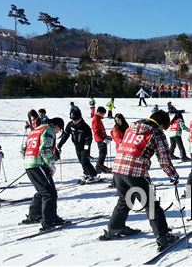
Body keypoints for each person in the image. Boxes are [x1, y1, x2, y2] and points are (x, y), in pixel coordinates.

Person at [100, 110, 181, 251]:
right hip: (135, 172)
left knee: (124, 200)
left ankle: (115, 228)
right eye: (163, 127)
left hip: (118, 169)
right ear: (161, 123)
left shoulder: (131, 128)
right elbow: (164, 159)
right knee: (151, 205)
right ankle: (163, 236)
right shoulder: (156, 132)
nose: (163, 130)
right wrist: (173, 175)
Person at [20, 117, 67, 231]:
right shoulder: (48, 129)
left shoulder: (35, 130)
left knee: (43, 191)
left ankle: (35, 214)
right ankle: (49, 220)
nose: (57, 132)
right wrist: (50, 164)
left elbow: (23, 148)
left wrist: (28, 159)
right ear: (57, 125)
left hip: (30, 163)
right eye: (59, 129)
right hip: (39, 163)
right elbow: (45, 149)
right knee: (49, 193)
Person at [57, 107, 100, 183]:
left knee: (85, 161)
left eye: (76, 120)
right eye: (73, 120)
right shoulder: (70, 125)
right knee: (81, 161)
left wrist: (86, 150)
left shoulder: (85, 127)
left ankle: (93, 175)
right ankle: (87, 173)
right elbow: (65, 136)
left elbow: (88, 141)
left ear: (80, 118)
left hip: (84, 147)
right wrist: (60, 144)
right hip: (77, 146)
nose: (74, 121)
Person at [92, 107, 112, 173]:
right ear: (100, 113)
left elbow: (101, 131)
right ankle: (99, 166)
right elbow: (96, 132)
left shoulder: (98, 119)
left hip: (102, 139)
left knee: (103, 153)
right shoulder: (96, 119)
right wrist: (102, 140)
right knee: (102, 153)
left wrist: (106, 137)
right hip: (100, 140)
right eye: (103, 114)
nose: (103, 115)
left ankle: (100, 166)